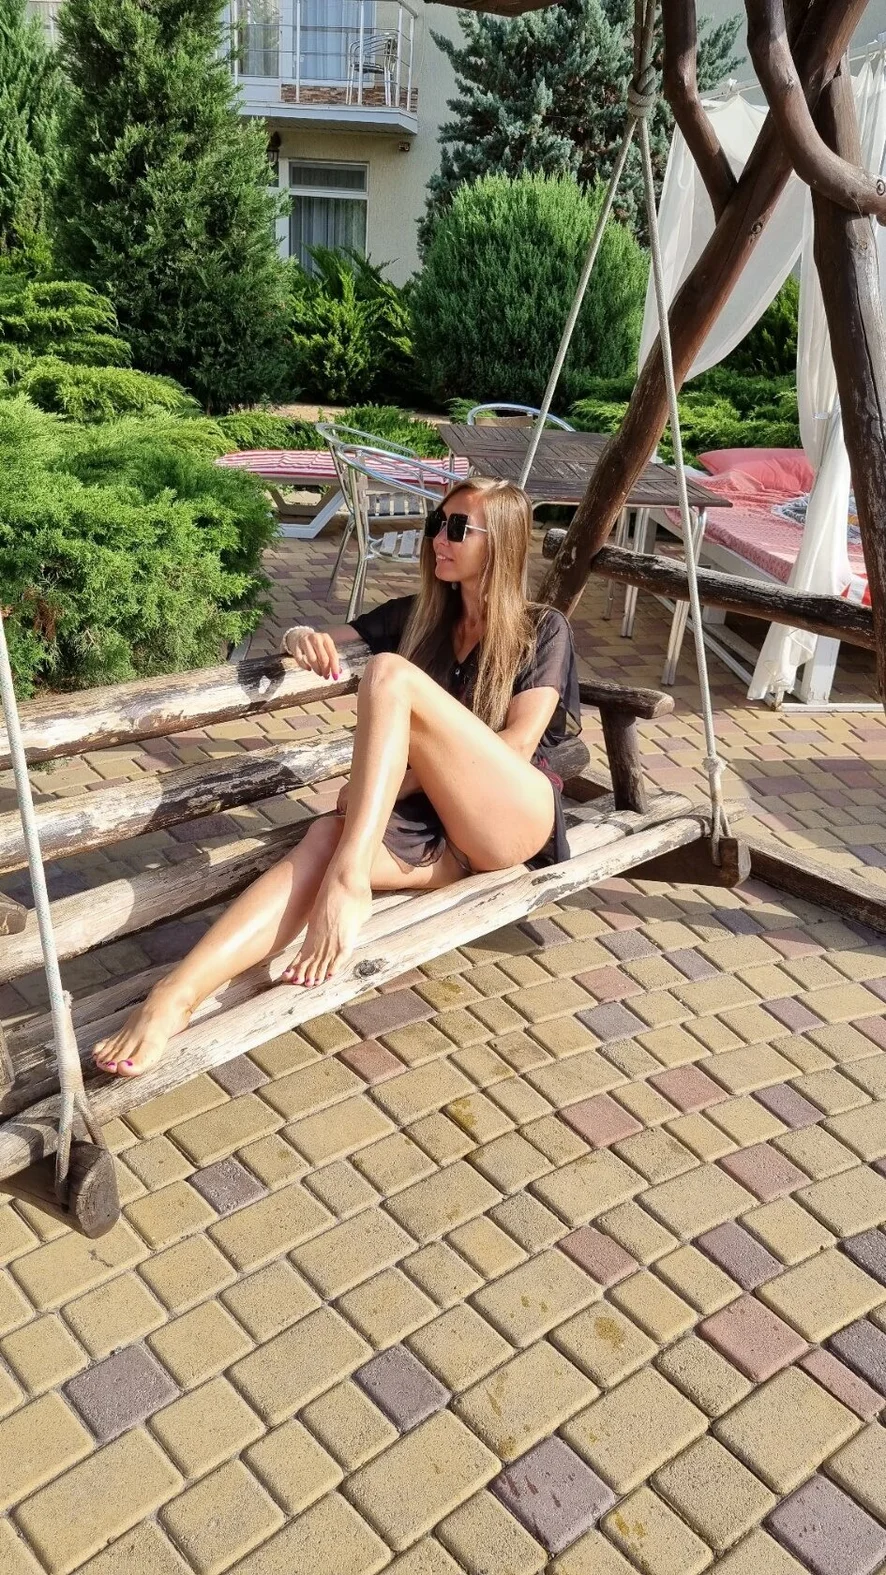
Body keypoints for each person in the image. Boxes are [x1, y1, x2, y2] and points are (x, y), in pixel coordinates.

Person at [92, 477, 580, 1077]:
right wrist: (298, 636)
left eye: (458, 529)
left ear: (501, 541)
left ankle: (349, 884)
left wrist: (390, 787)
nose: (437, 540)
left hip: (511, 818)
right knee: (324, 836)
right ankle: (174, 998)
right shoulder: (420, 617)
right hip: (440, 838)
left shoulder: (542, 628)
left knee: (389, 675)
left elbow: (518, 744)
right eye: (437, 524)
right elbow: (324, 638)